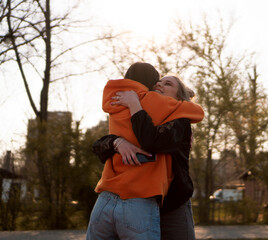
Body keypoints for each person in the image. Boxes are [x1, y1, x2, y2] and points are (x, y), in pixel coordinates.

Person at [86, 63, 204, 240]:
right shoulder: (147, 110)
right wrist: (117, 142)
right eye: (158, 82)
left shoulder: (180, 121)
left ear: (179, 98)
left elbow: (152, 142)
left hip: (172, 203)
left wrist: (135, 105)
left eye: (168, 84)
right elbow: (98, 145)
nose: (159, 85)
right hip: (141, 201)